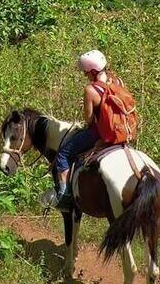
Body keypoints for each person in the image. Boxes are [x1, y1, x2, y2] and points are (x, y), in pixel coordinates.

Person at [53, 49, 123, 210]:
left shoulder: (91, 90)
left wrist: (88, 108)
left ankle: (64, 197)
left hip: (99, 133)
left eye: (86, 73)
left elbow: (89, 120)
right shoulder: (117, 81)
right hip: (120, 132)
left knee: (62, 154)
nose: (85, 76)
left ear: (92, 71)